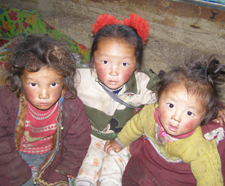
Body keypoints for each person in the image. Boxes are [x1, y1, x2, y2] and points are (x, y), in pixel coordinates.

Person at [104, 56, 225, 186]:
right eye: (171, 105)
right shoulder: (150, 113)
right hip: (153, 157)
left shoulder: (200, 146)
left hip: (181, 174)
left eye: (189, 113)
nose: (176, 117)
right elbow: (135, 126)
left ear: (203, 117)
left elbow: (210, 179)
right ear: (159, 98)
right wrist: (120, 141)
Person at [74, 13, 160, 186]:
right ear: (93, 60)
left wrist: (209, 107)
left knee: (113, 172)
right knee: (87, 168)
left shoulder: (143, 83)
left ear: (136, 64)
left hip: (124, 138)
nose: (114, 71)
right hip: (89, 136)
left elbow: (172, 95)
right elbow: (51, 80)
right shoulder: (81, 79)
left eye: (124, 64)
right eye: (105, 61)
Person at [0, 34, 91, 186]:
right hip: (13, 156)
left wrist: (67, 167)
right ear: (19, 80)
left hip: (53, 157)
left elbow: (79, 140)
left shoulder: (71, 105)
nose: (44, 95)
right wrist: (15, 169)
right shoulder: (7, 99)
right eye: (34, 84)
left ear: (64, 81)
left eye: (53, 84)